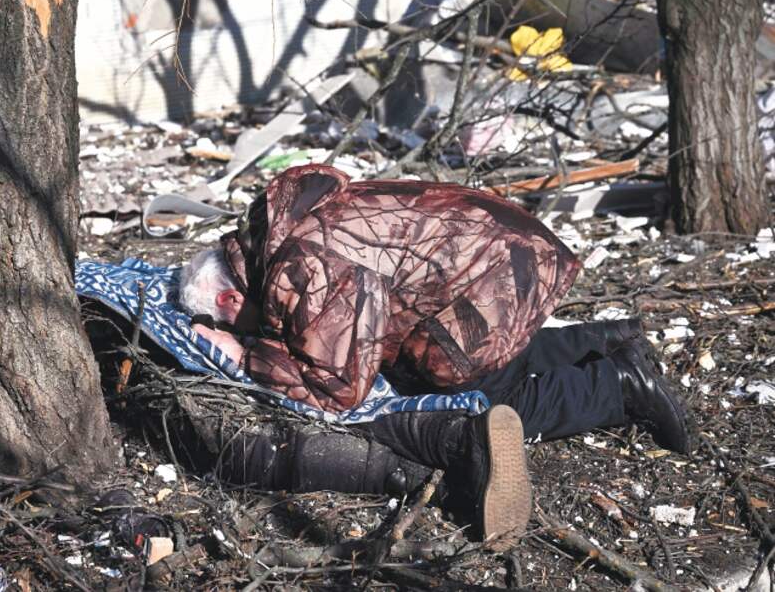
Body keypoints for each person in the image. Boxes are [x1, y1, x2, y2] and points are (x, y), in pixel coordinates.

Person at [177, 164, 691, 549]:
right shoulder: (279, 233)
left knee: (477, 394)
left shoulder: (301, 267)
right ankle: (608, 340)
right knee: (466, 357)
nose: (241, 327)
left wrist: (247, 357)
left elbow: (339, 388)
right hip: (507, 252)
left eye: (229, 321)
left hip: (496, 276)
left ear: (227, 299)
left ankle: (616, 387)